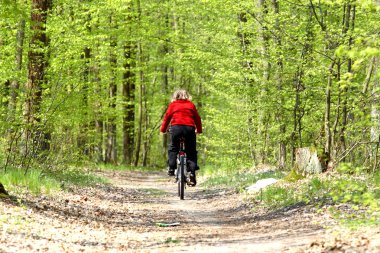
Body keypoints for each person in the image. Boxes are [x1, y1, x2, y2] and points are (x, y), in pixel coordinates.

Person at [160, 89, 202, 186]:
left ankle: (171, 168)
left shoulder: (173, 105)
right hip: (189, 129)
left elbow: (167, 117)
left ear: (175, 96)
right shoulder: (191, 105)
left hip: (176, 128)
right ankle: (191, 172)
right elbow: (197, 118)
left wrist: (163, 129)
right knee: (191, 151)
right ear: (187, 96)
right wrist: (198, 130)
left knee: (173, 148)